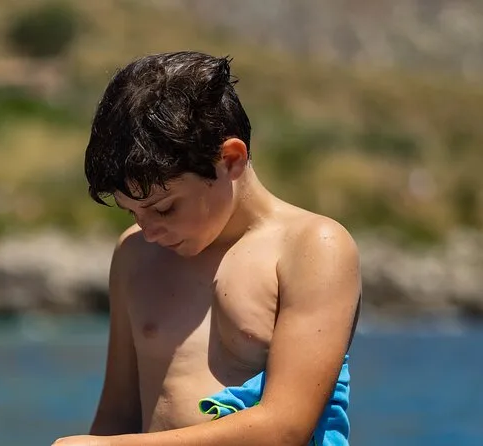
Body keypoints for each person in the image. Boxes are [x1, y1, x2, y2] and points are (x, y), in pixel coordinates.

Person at [53, 51, 362, 446]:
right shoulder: (135, 254)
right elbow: (116, 417)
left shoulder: (312, 248)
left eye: (164, 208)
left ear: (230, 160)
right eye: (132, 213)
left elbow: (285, 427)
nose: (148, 231)